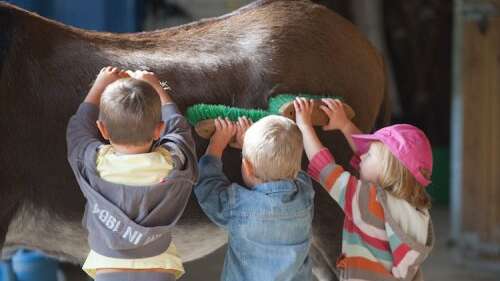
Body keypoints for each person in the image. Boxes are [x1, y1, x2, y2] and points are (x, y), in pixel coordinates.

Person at [66, 66, 197, 281]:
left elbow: (78, 129)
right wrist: (158, 86)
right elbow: (179, 131)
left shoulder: (94, 162)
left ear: (103, 129)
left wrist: (99, 86)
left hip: (107, 268)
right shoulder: (172, 162)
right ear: (158, 129)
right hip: (159, 266)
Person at [294, 97, 434, 281]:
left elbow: (325, 168)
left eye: (368, 155)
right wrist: (344, 125)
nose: (360, 157)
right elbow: (375, 159)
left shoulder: (368, 200)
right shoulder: (416, 209)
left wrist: (304, 126)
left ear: (387, 171)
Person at [195, 115, 314, 281]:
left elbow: (207, 186)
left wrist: (217, 145)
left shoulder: (238, 206)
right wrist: (252, 147)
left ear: (247, 167)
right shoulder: (304, 193)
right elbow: (295, 170)